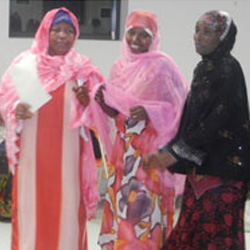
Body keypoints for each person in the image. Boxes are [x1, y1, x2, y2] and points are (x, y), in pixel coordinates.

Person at [143, 10, 250, 250]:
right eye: (197, 30)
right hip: (202, 169)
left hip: (224, 173)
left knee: (216, 237)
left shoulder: (228, 70)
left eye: (208, 32)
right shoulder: (205, 69)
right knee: (191, 234)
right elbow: (192, 121)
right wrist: (170, 151)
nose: (198, 37)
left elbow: (216, 121)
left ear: (223, 37)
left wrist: (175, 153)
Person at [0, 7, 104, 250]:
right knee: (32, 210)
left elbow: (103, 113)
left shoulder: (83, 69)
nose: (62, 35)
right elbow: (3, 104)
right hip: (31, 160)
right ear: (45, 31)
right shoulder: (26, 65)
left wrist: (88, 101)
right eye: (56, 29)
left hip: (69, 159)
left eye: (69, 30)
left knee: (67, 210)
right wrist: (15, 110)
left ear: (76, 35)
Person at [94, 10, 189, 250]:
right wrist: (104, 104)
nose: (136, 39)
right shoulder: (119, 67)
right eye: (131, 33)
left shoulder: (164, 66)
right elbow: (118, 114)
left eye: (144, 34)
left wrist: (150, 111)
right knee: (123, 208)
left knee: (145, 211)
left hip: (150, 157)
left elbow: (181, 108)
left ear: (154, 37)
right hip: (123, 155)